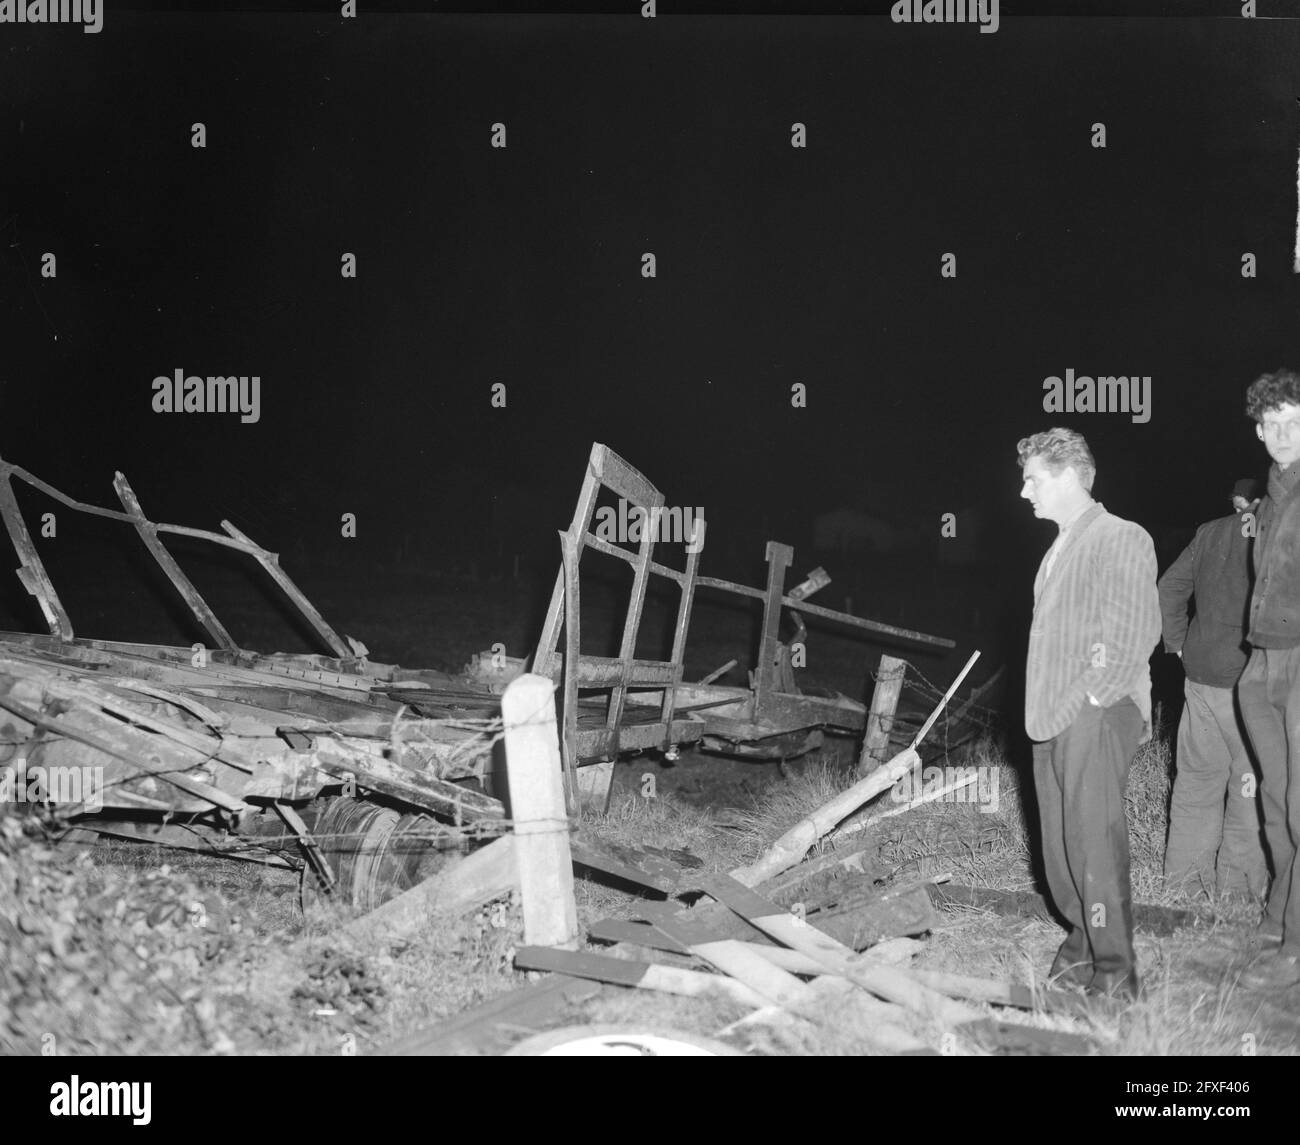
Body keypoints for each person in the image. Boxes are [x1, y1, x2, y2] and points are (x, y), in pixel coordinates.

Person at [1018, 427, 1160, 1000]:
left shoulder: (1120, 536)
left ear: (1071, 475)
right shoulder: (1058, 548)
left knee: (1093, 844)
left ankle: (1116, 975)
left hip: (1095, 712)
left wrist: (1093, 699)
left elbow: (1135, 632)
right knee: (1060, 849)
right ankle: (1081, 947)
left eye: (1033, 479)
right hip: (1053, 716)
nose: (1023, 491)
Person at [1157, 479, 1267, 897]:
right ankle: (1237, 893)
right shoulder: (1279, 530)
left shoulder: (1209, 531)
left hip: (1200, 677)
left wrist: (1180, 645)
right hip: (1248, 681)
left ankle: (1185, 888)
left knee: (1197, 782)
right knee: (1249, 782)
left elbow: (1168, 588)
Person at [1236, 369, 1300, 989]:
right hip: (1262, 665)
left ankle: (1295, 949)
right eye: (1271, 423)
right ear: (1259, 431)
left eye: (1293, 421)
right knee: (1278, 805)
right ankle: (1282, 915)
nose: (1282, 433)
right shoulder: (1269, 496)